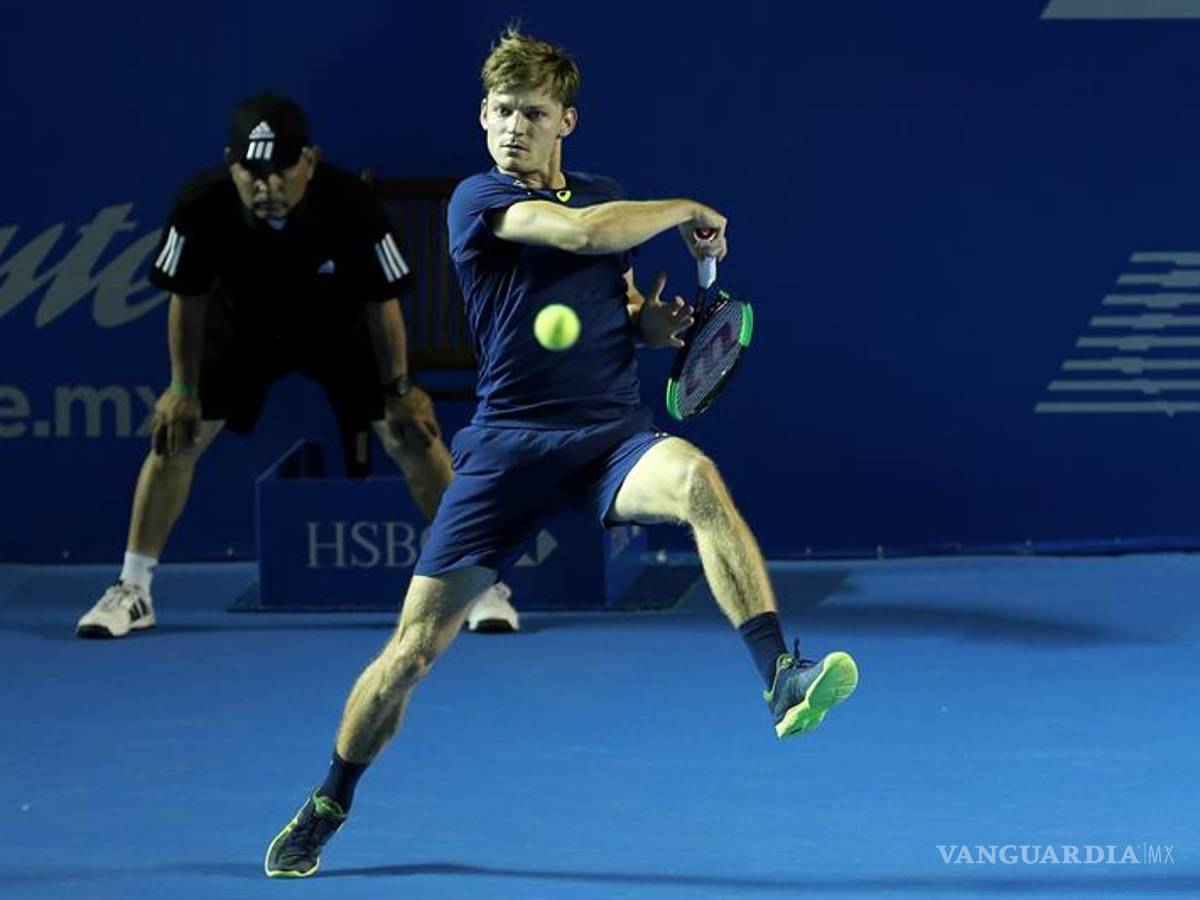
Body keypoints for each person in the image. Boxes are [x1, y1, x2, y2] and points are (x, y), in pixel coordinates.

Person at [263, 31, 858, 879]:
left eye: (533, 114)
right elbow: (579, 236)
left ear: (565, 123)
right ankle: (329, 801)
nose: (514, 128)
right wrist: (686, 207)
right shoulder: (479, 199)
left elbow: (619, 297)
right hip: (506, 459)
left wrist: (655, 326)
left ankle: (781, 677)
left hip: (608, 441)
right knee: (410, 655)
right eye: (501, 112)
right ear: (482, 115)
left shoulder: (605, 196)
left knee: (698, 481)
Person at [75, 93, 519, 639]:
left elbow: (382, 303)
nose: (267, 186)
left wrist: (400, 387)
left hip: (339, 332)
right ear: (230, 164)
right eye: (252, 172)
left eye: (281, 170)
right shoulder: (199, 205)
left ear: (309, 161)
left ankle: (475, 583)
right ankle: (133, 589)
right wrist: (182, 388)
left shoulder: (351, 204)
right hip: (242, 334)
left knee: (415, 437)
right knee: (174, 438)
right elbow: (186, 300)